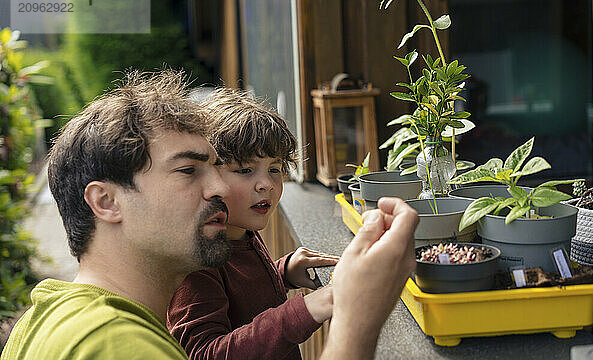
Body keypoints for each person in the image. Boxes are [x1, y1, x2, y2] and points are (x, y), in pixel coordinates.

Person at [0, 69, 419, 360]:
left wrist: (282, 271)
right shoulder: (117, 347)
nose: (219, 188)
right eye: (188, 170)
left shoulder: (46, 314)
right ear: (107, 202)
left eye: (216, 166)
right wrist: (353, 313)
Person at [167, 90, 339, 360]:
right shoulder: (198, 261)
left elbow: (241, 301)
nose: (267, 184)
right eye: (245, 170)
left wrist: (282, 273)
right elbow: (204, 353)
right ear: (208, 177)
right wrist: (307, 309)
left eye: (275, 168)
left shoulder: (241, 231)